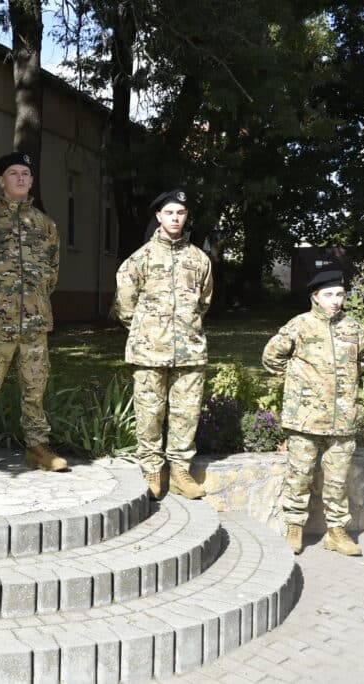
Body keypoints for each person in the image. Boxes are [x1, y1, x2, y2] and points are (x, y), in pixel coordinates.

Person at [0, 152, 66, 477]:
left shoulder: (45, 225)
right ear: (1, 180)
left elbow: (52, 273)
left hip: (35, 322)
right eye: (13, 173)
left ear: (31, 181)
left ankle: (37, 448)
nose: (20, 178)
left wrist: (34, 302)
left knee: (35, 388)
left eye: (25, 173)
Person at [262, 270, 364, 556]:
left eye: (340, 294)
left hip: (342, 419)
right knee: (299, 476)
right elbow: (271, 357)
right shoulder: (299, 325)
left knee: (338, 482)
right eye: (328, 295)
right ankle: (294, 528)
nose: (335, 300)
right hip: (305, 418)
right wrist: (298, 383)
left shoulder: (355, 329)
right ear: (315, 297)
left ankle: (337, 533)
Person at [113, 189, 212, 500]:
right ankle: (152, 470)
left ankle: (181, 472)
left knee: (186, 413)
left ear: (186, 216)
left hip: (190, 350)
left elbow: (204, 302)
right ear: (158, 216)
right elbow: (125, 305)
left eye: (180, 213)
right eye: (169, 213)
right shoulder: (139, 259)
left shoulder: (199, 259)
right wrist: (147, 332)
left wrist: (184, 329)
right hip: (149, 350)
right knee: (149, 413)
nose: (175, 218)